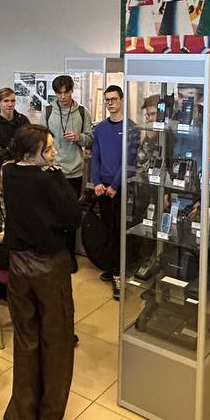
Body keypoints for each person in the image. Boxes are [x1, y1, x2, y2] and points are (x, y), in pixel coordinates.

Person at [1, 125, 81, 420]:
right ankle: (49, 416)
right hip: (49, 266)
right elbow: (73, 216)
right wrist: (58, 176)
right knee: (57, 340)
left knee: (26, 339)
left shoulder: (9, 173)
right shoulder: (46, 179)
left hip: (18, 265)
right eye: (47, 150)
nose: (53, 154)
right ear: (30, 153)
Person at [47, 75, 93, 271]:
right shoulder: (48, 111)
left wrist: (78, 137)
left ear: (72, 91)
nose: (63, 97)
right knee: (53, 215)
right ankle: (55, 254)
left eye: (66, 92)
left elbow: (90, 139)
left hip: (74, 170)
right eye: (59, 93)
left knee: (71, 215)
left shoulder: (82, 112)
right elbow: (41, 139)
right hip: (53, 170)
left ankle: (70, 255)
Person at [91, 85, 126, 293]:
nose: (110, 103)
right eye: (107, 100)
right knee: (106, 229)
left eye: (114, 99)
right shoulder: (101, 128)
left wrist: (115, 185)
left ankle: (118, 273)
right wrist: (96, 182)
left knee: (119, 231)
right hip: (102, 187)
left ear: (121, 100)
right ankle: (111, 267)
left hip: (119, 188)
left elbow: (128, 160)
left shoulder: (130, 128)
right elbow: (95, 156)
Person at [0, 87, 30, 158]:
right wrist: (14, 150)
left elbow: (29, 145)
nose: (10, 104)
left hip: (22, 162)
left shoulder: (23, 120)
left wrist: (5, 150)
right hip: (1, 163)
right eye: (6, 101)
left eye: (13, 101)